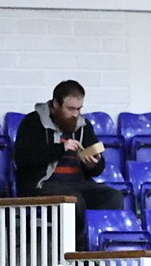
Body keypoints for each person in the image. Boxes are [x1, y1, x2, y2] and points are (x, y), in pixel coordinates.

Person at [14, 80, 124, 250]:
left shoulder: (83, 126)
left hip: (79, 184)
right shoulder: (33, 122)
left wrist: (92, 165)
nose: (75, 114)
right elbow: (24, 159)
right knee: (74, 201)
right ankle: (77, 256)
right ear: (55, 104)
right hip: (43, 185)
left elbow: (98, 168)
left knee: (114, 197)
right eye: (71, 109)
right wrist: (61, 148)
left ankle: (103, 252)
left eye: (79, 109)